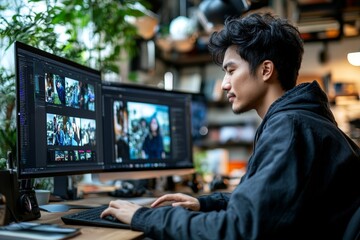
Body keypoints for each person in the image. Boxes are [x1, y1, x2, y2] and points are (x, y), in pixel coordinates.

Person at [100, 12, 360, 239]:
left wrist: (142, 216)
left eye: (231, 70)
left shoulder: (291, 130)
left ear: (266, 70)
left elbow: (237, 230)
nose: (224, 84)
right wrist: (205, 204)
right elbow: (265, 201)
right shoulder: (300, 120)